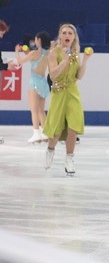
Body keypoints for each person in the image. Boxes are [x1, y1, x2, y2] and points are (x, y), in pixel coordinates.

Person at [44, 24, 93, 175]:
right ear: (60, 35)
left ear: (74, 37)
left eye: (70, 33)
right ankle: (50, 150)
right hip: (59, 93)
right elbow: (53, 75)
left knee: (73, 126)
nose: (67, 35)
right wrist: (64, 60)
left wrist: (85, 60)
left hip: (72, 92)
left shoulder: (75, 53)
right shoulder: (54, 52)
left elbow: (79, 76)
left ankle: (69, 159)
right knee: (56, 131)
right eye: (64, 33)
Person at [14, 32, 51, 143]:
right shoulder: (48, 53)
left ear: (39, 40)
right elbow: (35, 60)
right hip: (43, 83)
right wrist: (27, 53)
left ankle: (36, 134)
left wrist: (17, 51)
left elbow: (20, 61)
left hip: (34, 82)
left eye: (35, 39)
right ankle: (46, 134)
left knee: (34, 110)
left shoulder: (35, 53)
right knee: (41, 111)